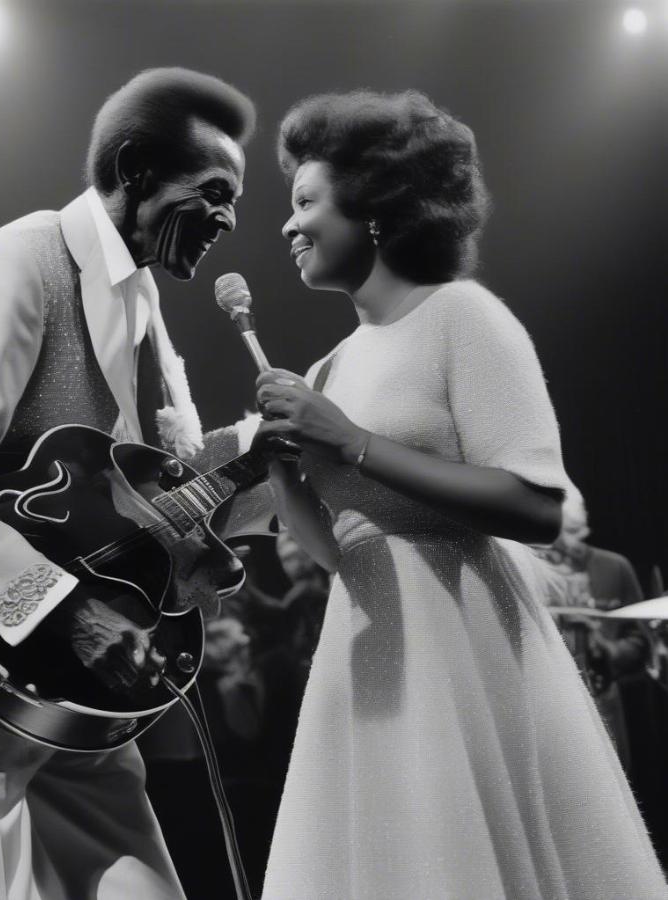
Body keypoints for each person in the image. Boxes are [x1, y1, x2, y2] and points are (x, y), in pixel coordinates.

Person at [252, 89, 668, 898]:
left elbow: (538, 506)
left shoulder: (463, 317)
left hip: (465, 643)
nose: (287, 224)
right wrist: (280, 472)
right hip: (367, 646)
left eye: (306, 202)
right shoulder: (330, 369)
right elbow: (342, 551)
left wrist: (350, 441)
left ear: (371, 208)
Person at [0, 68, 255, 900]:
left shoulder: (142, 298)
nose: (228, 218)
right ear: (138, 167)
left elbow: (125, 488)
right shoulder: (20, 260)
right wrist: (66, 611)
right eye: (214, 192)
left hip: (81, 708)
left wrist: (253, 467)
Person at [533, 483, 649, 771]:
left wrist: (605, 646)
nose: (582, 537)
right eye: (571, 531)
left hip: (603, 701)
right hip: (546, 706)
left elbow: (643, 641)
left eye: (582, 528)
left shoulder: (614, 567)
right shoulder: (526, 567)